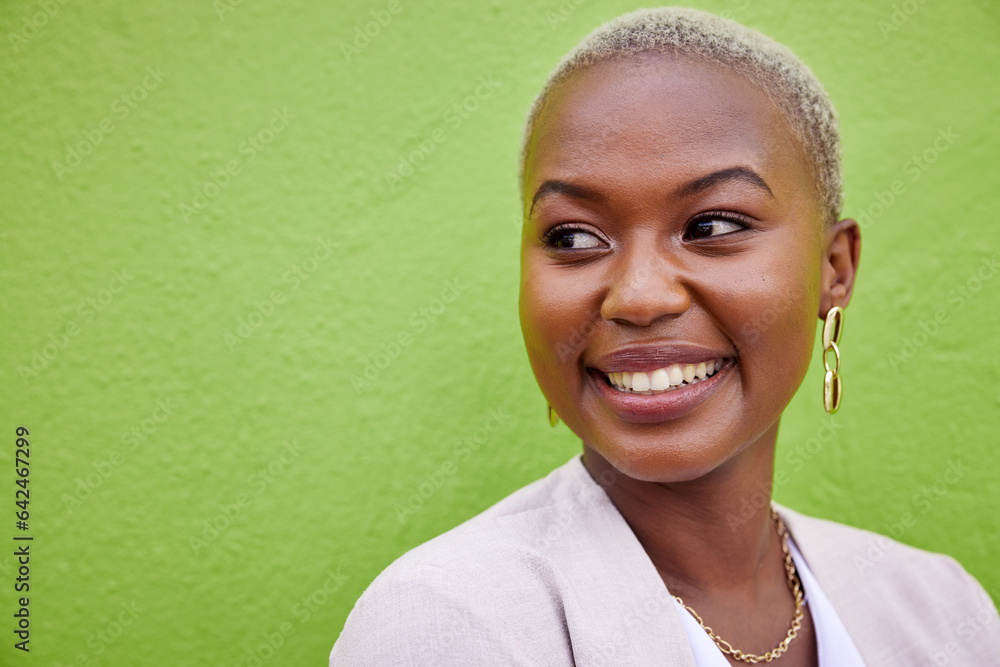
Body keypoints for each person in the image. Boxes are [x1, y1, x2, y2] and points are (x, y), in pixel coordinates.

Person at [330, 7, 1000, 665]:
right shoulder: (447, 620)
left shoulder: (943, 611)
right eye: (573, 236)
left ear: (835, 268)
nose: (640, 296)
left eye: (712, 226)